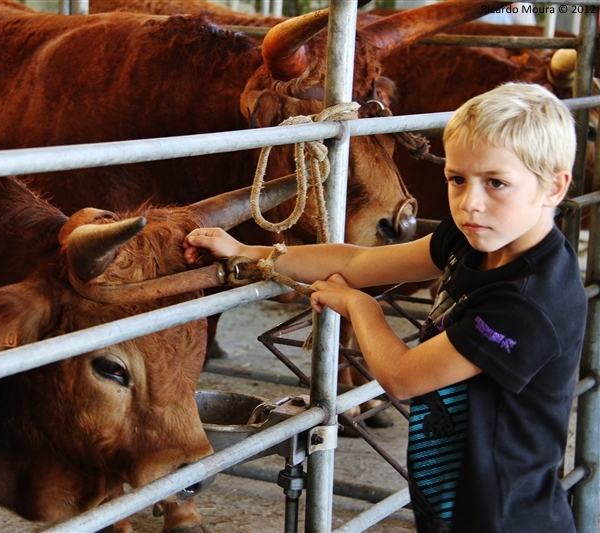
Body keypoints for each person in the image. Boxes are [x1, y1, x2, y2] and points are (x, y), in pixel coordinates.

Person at [183, 82, 586, 533]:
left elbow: (403, 377)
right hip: (453, 503)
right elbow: (358, 260)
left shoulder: (529, 301)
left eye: (496, 183)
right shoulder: (471, 235)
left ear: (553, 187)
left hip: (505, 516)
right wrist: (253, 252)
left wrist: (360, 308)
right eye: (457, 179)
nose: (470, 202)